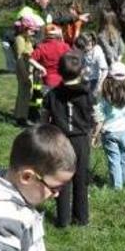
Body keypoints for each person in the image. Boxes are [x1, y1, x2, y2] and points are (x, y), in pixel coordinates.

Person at [41, 51, 95, 227]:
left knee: (62, 178)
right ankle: (81, 218)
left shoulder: (52, 95)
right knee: (81, 178)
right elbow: (97, 116)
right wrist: (95, 134)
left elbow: (44, 119)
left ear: (59, 71)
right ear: (81, 72)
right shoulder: (88, 94)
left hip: (60, 140)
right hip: (81, 141)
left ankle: (63, 219)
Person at [93, 62, 125, 189]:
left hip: (110, 133)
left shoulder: (104, 98)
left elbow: (99, 120)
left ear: (108, 80)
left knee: (114, 159)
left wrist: (95, 135)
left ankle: (117, 187)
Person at [16, 0, 90, 43]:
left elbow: (59, 17)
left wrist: (77, 17)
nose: (48, 1)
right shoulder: (25, 13)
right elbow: (23, 39)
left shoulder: (44, 12)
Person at [12, 15, 41, 127]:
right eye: (31, 30)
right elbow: (20, 57)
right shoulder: (19, 39)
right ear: (24, 29)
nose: (33, 32)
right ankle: (21, 117)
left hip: (29, 69)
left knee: (26, 93)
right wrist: (24, 74)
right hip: (23, 69)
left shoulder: (27, 39)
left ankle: (20, 114)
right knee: (24, 94)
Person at [30, 23, 70, 90]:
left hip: (48, 80)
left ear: (45, 35)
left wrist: (41, 67)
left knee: (48, 99)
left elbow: (31, 59)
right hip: (63, 80)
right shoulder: (65, 46)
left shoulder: (41, 47)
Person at [75, 31, 108, 97]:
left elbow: (105, 70)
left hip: (94, 80)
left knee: (91, 98)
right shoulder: (85, 50)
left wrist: (99, 85)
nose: (81, 50)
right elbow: (83, 61)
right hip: (85, 78)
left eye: (82, 48)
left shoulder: (97, 53)